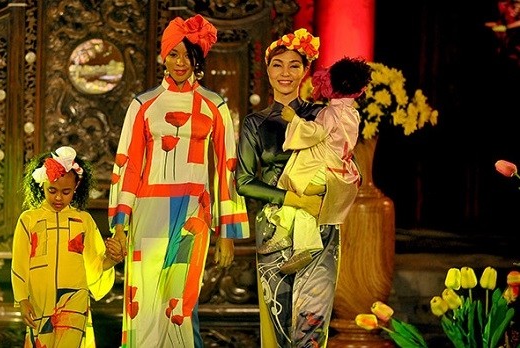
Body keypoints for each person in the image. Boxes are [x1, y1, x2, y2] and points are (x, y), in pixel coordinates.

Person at [107, 14, 250, 348]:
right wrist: (120, 222)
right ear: (164, 56)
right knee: (143, 300)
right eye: (174, 54)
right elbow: (128, 164)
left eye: (188, 55)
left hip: (192, 214)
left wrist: (226, 233)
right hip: (148, 210)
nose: (180, 62)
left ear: (198, 59)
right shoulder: (143, 105)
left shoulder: (215, 105)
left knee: (181, 303)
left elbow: (226, 168)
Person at [236, 28, 361, 347]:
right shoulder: (255, 123)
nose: (285, 73)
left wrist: (322, 196)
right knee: (278, 317)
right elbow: (244, 182)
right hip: (275, 226)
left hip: (321, 224)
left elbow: (344, 161)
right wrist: (292, 198)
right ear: (267, 71)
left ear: (306, 70)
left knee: (312, 324)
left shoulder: (323, 114)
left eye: (294, 65)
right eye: (277, 65)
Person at [257, 56, 372, 275]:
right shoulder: (353, 114)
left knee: (293, 187)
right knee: (302, 204)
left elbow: (314, 133)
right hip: (341, 171)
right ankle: (292, 241)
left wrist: (294, 120)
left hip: (322, 169)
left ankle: (295, 238)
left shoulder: (331, 113)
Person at [11, 146, 123, 348]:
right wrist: (22, 299)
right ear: (42, 185)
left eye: (66, 192)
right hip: (38, 300)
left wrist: (113, 259)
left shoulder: (84, 221)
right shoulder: (28, 220)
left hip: (74, 300)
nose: (58, 198)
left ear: (76, 187)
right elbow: (19, 264)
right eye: (52, 190)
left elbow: (95, 265)